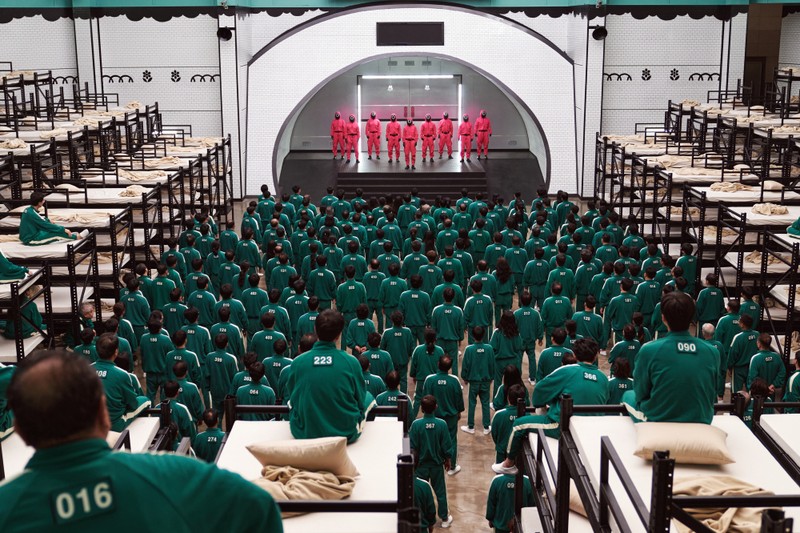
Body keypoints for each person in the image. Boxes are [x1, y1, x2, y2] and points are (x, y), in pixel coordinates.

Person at [0, 350, 283, 532]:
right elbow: (259, 507)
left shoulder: (7, 507)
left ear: (19, 429)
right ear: (103, 413)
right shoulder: (177, 475)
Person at [493, 338, 608, 474]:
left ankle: (509, 463)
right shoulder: (603, 378)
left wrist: (552, 401)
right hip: (591, 428)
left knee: (519, 424)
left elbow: (538, 396)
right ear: (595, 356)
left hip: (562, 426)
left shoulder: (567, 370)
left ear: (575, 355)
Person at [623, 292, 718, 423]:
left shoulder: (649, 350)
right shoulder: (712, 351)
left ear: (663, 318)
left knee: (628, 395)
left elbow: (640, 393)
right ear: (691, 318)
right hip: (701, 417)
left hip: (657, 418)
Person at [286, 309, 366, 443]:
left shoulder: (298, 362)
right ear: (339, 335)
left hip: (305, 431)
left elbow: (292, 395)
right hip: (344, 433)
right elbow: (360, 399)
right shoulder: (351, 362)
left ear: (315, 329)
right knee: (369, 398)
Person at [409, 395, 454, 529]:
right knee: (440, 492)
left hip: (420, 466)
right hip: (436, 466)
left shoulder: (416, 425)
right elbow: (446, 445)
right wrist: (448, 460)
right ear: (436, 407)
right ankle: (445, 518)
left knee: (421, 491)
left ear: (421, 409)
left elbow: (412, 447)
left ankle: (422, 516)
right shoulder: (442, 424)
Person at [93, 333, 150, 432]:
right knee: (146, 400)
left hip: (93, 422)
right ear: (116, 352)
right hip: (115, 424)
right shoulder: (122, 374)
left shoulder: (86, 369)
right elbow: (133, 404)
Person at [460, 326, 494, 436]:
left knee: (472, 403)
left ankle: (471, 426)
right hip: (485, 381)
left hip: (473, 382)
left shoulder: (469, 349)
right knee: (485, 403)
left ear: (472, 335)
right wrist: (491, 377)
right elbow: (492, 364)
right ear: (484, 335)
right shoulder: (489, 349)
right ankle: (486, 426)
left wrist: (464, 377)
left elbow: (465, 365)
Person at [490, 383, 526, 464]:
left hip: (502, 453)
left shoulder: (499, 415)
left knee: (501, 476)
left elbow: (494, 434)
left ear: (508, 398)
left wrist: (501, 444)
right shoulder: (527, 416)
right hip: (520, 455)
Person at [746, 333, 786, 399]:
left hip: (758, 396)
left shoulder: (755, 358)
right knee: (769, 408)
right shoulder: (777, 356)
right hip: (771, 393)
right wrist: (773, 385)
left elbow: (752, 378)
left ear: (759, 344)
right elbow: (782, 373)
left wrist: (765, 389)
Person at [727, 314, 759, 394]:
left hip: (739, 369)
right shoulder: (757, 334)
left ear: (742, 324)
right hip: (752, 367)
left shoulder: (738, 337)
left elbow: (732, 354)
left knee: (736, 392)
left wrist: (729, 367)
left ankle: (736, 406)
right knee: (752, 390)